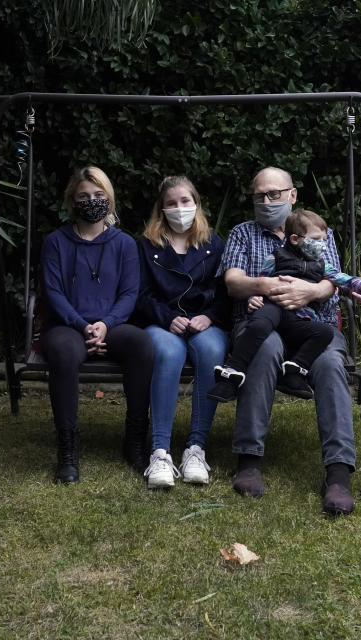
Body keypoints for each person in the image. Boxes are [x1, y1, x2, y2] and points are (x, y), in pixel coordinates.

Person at [218, 167, 361, 515]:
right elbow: (233, 282)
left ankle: (338, 473)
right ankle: (248, 459)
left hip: (314, 324)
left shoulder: (316, 231)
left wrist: (310, 291)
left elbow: (333, 279)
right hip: (262, 323)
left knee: (331, 363)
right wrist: (264, 286)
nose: (267, 201)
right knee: (265, 347)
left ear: (293, 194)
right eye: (260, 196)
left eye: (274, 194)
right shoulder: (243, 233)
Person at [40, 166, 153, 484]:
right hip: (67, 325)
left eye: (99, 195)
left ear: (110, 200)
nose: (92, 201)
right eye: (84, 196)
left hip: (112, 324)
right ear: (71, 201)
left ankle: (134, 440)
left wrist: (105, 324)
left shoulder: (125, 244)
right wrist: (82, 325)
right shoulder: (55, 242)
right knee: (62, 350)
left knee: (142, 344)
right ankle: (67, 448)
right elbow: (53, 292)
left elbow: (130, 292)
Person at [209, 209, 361, 402]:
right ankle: (231, 374)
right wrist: (252, 298)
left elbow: (344, 279)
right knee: (259, 324)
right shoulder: (275, 257)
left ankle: (294, 369)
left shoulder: (321, 266)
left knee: (325, 333)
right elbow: (261, 280)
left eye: (324, 240)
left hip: (296, 317)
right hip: (273, 308)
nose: (322, 245)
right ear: (295, 239)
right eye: (316, 239)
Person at [132, 176, 229, 489]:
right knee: (169, 352)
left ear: (196, 204)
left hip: (203, 322)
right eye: (171, 203)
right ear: (161, 208)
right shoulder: (146, 245)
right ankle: (160, 451)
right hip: (162, 322)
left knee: (213, 351)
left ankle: (195, 449)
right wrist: (167, 317)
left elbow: (225, 291)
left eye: (185, 201)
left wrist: (210, 316)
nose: (179, 208)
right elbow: (140, 294)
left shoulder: (214, 244)